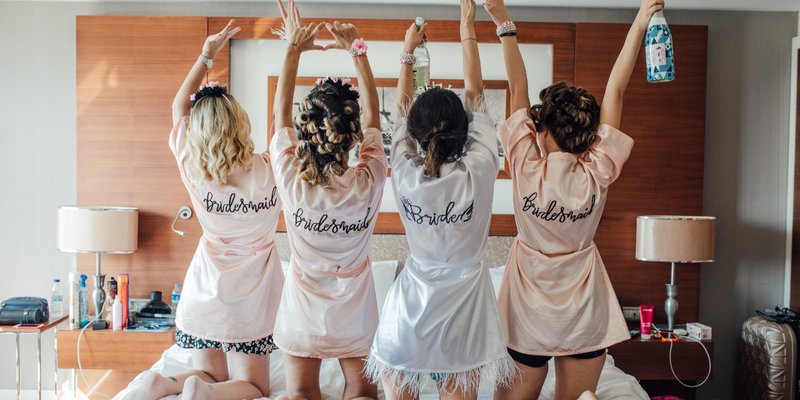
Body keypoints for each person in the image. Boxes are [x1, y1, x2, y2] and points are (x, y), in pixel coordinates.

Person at [482, 0, 665, 398]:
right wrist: (639, 21)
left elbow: (516, 86)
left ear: (542, 129)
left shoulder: (526, 165)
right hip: (583, 311)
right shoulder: (597, 170)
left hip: (527, 313)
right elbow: (617, 87)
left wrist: (503, 22)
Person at [122, 19, 284, 400]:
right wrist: (291, 50)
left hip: (204, 293)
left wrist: (206, 54)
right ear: (240, 124)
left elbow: (179, 105)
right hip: (250, 300)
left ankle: (164, 384)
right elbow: (282, 122)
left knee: (209, 372)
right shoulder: (269, 168)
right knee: (256, 386)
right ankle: (204, 395)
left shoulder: (193, 167)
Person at [365, 2, 516, 400]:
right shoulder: (481, 169)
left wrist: (407, 51)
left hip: (409, 311)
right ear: (465, 132)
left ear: (415, 135)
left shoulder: (405, 173)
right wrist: (468, 25)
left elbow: (398, 112)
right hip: (466, 311)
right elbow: (476, 94)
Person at [270, 1, 386, 399]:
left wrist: (292, 49)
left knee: (299, 395)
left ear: (307, 132)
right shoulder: (369, 180)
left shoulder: (291, 180)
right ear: (350, 135)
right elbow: (374, 120)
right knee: (364, 395)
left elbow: (278, 119)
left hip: (303, 310)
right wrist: (359, 53)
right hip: (355, 315)